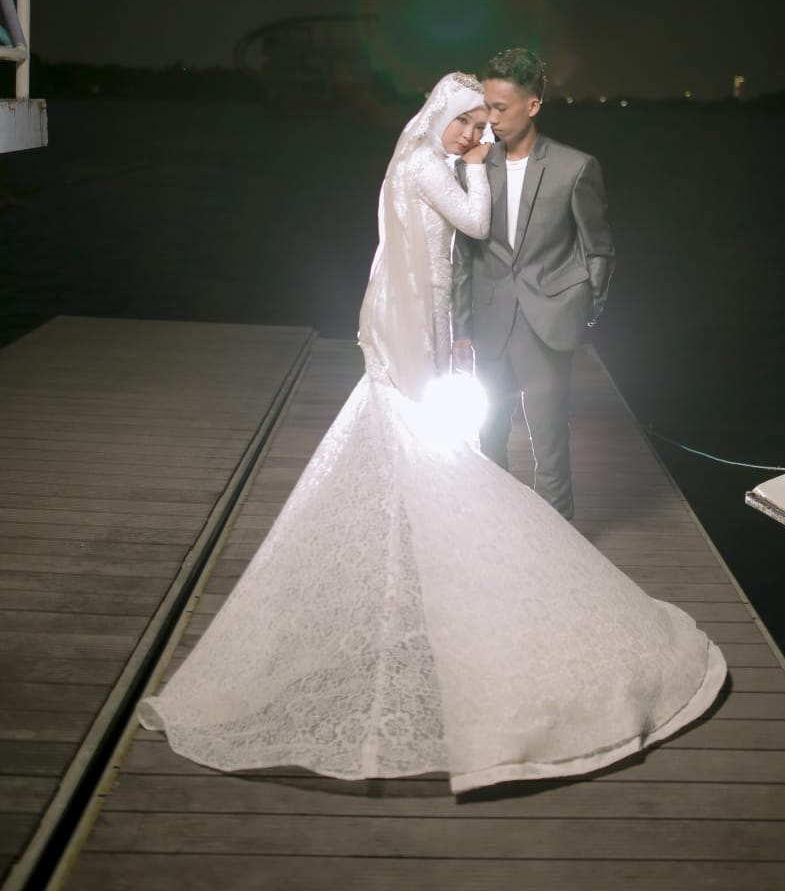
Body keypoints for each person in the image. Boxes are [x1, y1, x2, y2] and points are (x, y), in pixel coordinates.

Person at [138, 70, 726, 794]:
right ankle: (450, 583)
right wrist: (476, 169)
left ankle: (429, 585)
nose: (474, 135)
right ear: (441, 116)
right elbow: (471, 228)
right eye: (465, 123)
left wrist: (458, 339)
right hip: (412, 334)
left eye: (481, 125)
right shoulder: (426, 164)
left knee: (442, 463)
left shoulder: (437, 162)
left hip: (437, 330)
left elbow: (446, 263)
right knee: (440, 462)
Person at [453, 47, 613, 519]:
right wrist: (461, 328)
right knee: (489, 438)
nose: (491, 119)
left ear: (533, 105)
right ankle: (497, 532)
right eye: (488, 106)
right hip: (489, 321)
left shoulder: (575, 168)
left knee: (550, 445)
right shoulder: (473, 166)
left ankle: (557, 547)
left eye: (501, 108)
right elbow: (463, 256)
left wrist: (582, 308)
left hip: (548, 322)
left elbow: (598, 248)